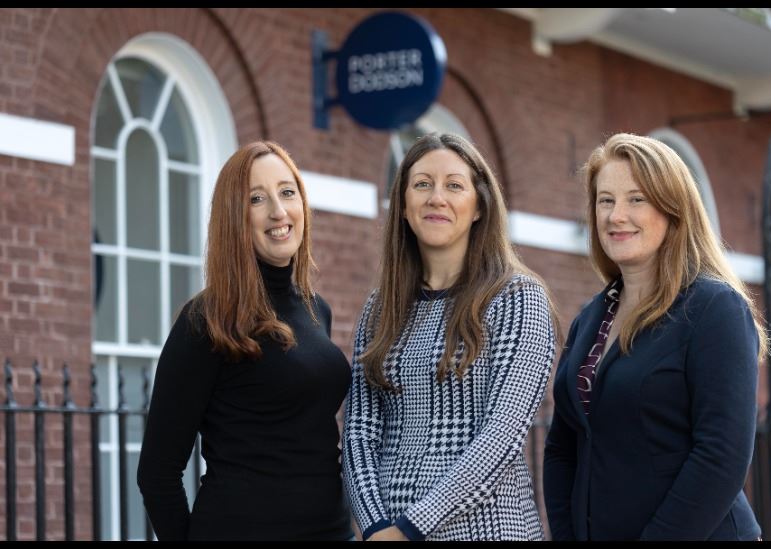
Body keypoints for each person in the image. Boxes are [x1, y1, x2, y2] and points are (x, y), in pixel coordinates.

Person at [543, 133, 768, 541]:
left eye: (636, 199)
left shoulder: (714, 308)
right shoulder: (590, 318)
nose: (616, 215)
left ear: (673, 211)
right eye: (605, 200)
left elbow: (722, 457)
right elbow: (563, 447)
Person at [342, 132, 557, 541]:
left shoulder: (518, 298)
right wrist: (374, 526)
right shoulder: (380, 308)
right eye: (422, 184)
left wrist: (410, 528)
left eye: (453, 185)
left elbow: (503, 434)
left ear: (478, 206)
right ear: (403, 207)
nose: (436, 197)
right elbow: (360, 431)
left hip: (487, 530)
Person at [137, 141, 353, 541]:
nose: (279, 211)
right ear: (234, 217)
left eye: (288, 192)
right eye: (257, 198)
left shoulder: (314, 308)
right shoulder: (207, 319)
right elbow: (157, 473)